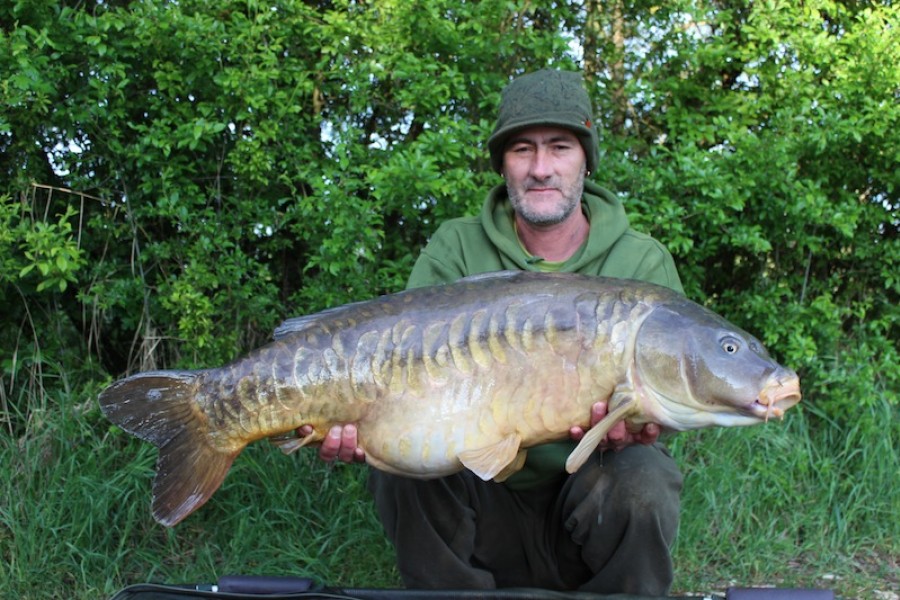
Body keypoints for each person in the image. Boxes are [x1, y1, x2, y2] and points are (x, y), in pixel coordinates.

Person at [311, 69, 684, 595]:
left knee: (645, 476)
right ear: (502, 165)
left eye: (560, 147)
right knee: (400, 471)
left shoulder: (641, 264)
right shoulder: (456, 250)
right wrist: (360, 425)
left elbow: (667, 402)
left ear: (586, 159)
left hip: (586, 506)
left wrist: (648, 427)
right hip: (481, 508)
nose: (540, 168)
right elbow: (395, 371)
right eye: (521, 150)